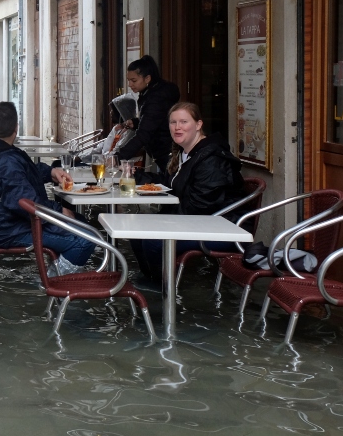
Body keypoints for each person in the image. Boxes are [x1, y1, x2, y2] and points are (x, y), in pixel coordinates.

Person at [0, 102, 92, 275]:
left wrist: (50, 172)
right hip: (8, 229)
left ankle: (58, 269)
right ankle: (51, 283)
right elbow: (24, 201)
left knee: (81, 222)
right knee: (86, 240)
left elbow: (19, 177)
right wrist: (59, 210)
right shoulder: (6, 160)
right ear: (16, 128)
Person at [130, 102, 247, 281]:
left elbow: (201, 206)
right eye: (173, 122)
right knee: (135, 229)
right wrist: (138, 176)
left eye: (184, 122)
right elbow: (170, 184)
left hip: (221, 227)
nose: (177, 127)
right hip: (196, 221)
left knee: (152, 241)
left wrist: (161, 222)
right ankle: (151, 279)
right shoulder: (185, 153)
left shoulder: (211, 158)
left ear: (198, 125)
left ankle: (161, 289)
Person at [115, 55, 180, 171]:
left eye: (134, 80)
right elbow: (156, 120)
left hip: (168, 151)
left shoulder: (156, 99)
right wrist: (136, 123)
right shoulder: (150, 93)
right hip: (164, 151)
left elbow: (144, 134)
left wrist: (118, 157)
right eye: (128, 80)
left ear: (147, 78)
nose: (130, 84)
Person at [99, 93, 140, 164]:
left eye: (114, 110)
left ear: (121, 112)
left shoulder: (131, 133)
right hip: (106, 162)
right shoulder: (118, 129)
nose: (110, 113)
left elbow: (115, 153)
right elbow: (106, 149)